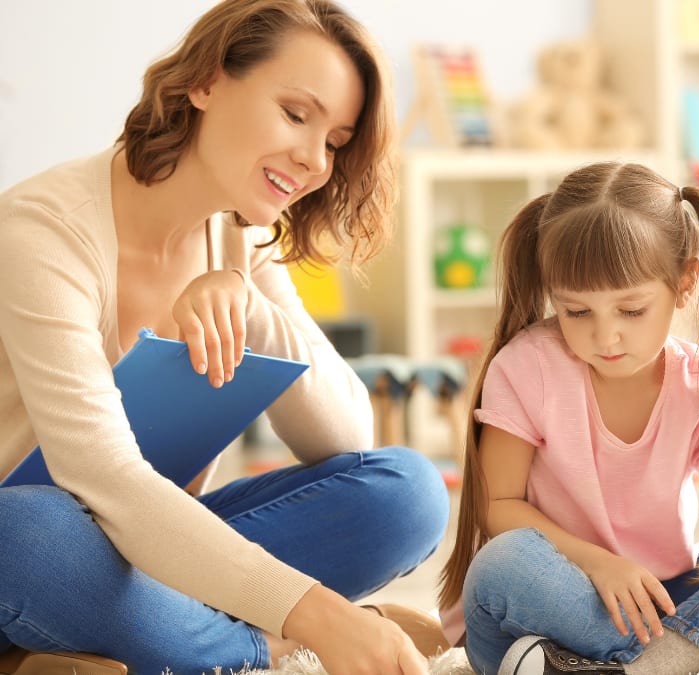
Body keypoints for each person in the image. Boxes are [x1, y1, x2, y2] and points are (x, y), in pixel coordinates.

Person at [0, 1, 450, 674]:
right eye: (295, 114)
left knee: (408, 491)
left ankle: (109, 644)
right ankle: (270, 648)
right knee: (27, 533)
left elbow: (347, 438)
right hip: (36, 548)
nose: (313, 160)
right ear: (206, 82)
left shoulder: (243, 234)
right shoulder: (43, 233)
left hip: (146, 554)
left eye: (334, 141)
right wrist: (321, 618)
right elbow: (104, 478)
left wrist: (252, 307)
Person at [437, 162, 699, 675]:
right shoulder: (526, 365)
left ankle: (643, 665)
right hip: (562, 595)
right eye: (576, 312)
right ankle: (693, 655)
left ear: (685, 282)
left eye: (631, 311)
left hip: (662, 595)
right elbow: (498, 506)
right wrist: (599, 564)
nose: (605, 337)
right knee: (503, 565)